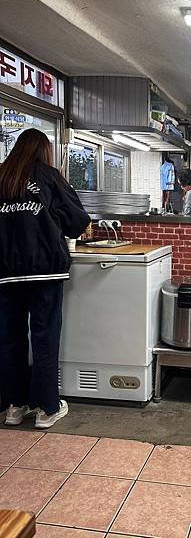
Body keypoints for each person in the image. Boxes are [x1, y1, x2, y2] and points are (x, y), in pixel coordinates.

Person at [0, 128, 90, 429]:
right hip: (45, 271)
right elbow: (77, 221)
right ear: (43, 150)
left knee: (9, 339)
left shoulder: (2, 176)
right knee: (44, 337)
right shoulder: (50, 177)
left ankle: (14, 406)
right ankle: (46, 408)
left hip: (6, 273)